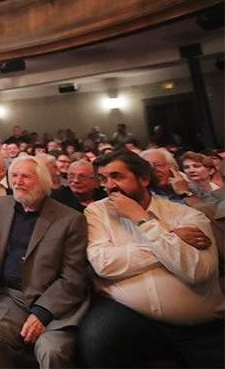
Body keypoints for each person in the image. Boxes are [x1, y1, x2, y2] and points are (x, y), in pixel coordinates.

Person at [79, 150, 224, 368]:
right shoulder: (97, 212)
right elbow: (104, 264)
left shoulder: (186, 215)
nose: (109, 186)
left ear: (144, 179)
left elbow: (197, 272)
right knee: (95, 340)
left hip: (198, 324)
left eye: (117, 176)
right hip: (131, 316)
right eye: (103, 179)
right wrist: (171, 239)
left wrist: (142, 219)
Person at [0, 156, 90, 369]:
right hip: (11, 296)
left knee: (52, 351)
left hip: (54, 299)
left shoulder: (70, 219)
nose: (18, 182)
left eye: (25, 177)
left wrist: (42, 313)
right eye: (14, 176)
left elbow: (73, 278)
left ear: (43, 181)